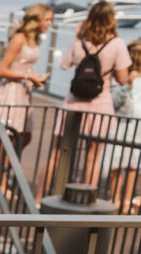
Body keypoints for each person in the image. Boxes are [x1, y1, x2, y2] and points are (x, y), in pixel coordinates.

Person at [55, 0, 131, 187]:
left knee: (58, 154)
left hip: (73, 102)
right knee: (93, 157)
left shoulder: (80, 41)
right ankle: (86, 200)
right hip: (100, 103)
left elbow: (64, 64)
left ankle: (42, 197)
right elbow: (122, 79)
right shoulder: (117, 44)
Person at [0, 3, 53, 152]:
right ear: (37, 20)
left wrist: (34, 77)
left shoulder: (34, 39)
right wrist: (27, 76)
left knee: (24, 136)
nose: (50, 24)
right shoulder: (19, 39)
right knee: (10, 136)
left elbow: (25, 65)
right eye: (47, 19)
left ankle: (6, 168)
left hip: (24, 92)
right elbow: (1, 70)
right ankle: (1, 173)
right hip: (12, 92)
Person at [107, 40, 141, 211]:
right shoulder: (120, 77)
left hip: (138, 127)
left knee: (133, 164)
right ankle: (115, 199)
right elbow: (113, 101)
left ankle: (126, 200)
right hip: (121, 124)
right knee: (117, 163)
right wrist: (127, 85)